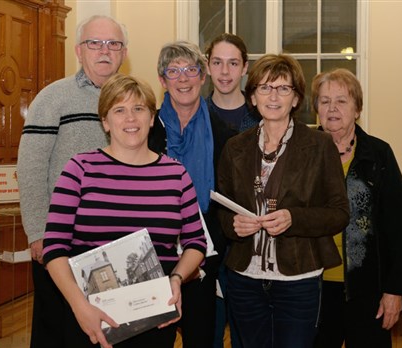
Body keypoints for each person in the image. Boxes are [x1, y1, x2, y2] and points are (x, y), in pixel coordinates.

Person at [41, 73, 207, 348]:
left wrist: (176, 279)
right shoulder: (79, 169)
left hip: (154, 318)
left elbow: (196, 243)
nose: (130, 118)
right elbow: (54, 247)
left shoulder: (176, 174)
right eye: (119, 110)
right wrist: (79, 307)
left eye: (139, 109)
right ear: (105, 121)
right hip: (90, 319)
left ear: (151, 118)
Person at [216, 54, 350, 348]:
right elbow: (221, 210)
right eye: (264, 87)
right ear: (252, 97)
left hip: (298, 277)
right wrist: (233, 224)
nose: (273, 96)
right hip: (244, 277)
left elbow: (339, 213)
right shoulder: (234, 147)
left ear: (296, 98)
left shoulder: (319, 145)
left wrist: (294, 218)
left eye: (283, 88)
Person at [16, 15, 128, 348]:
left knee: (113, 330)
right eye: (95, 43)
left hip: (117, 242)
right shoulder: (52, 99)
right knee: (57, 332)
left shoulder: (132, 98)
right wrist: (38, 232)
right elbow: (32, 166)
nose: (104, 51)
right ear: (79, 51)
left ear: (123, 52)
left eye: (114, 44)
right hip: (61, 241)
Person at [311, 68, 402, 348]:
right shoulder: (303, 154)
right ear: (316, 109)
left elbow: (398, 229)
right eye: (324, 101)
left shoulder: (378, 155)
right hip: (312, 288)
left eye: (342, 101)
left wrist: (394, 292)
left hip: (368, 289)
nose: (332, 108)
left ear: (357, 109)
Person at [148, 40, 236, 348]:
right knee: (154, 336)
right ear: (162, 81)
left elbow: (230, 198)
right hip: (153, 252)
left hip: (205, 253)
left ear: (203, 77)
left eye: (191, 70)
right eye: (173, 71)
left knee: (201, 335)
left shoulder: (225, 135)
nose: (183, 78)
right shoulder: (146, 129)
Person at [204, 32, 261, 348]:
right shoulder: (195, 116)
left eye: (233, 63)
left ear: (244, 68)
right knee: (208, 332)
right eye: (217, 63)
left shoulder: (262, 119)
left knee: (247, 336)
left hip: (251, 245)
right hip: (206, 245)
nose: (225, 72)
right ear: (208, 67)